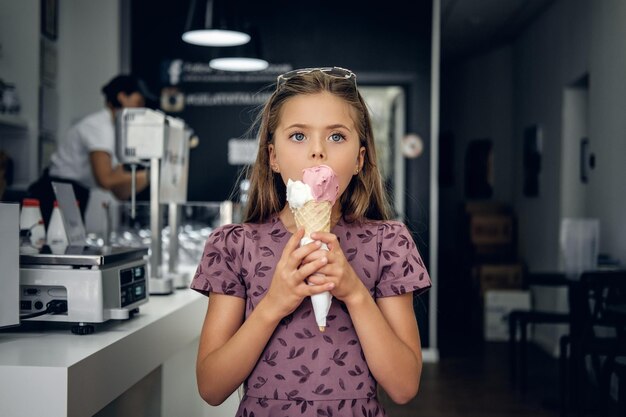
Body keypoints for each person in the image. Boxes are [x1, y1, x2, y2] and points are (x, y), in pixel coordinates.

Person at [190, 67, 432, 416]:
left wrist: (354, 292)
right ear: (273, 157)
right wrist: (273, 303)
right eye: (298, 136)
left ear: (360, 159)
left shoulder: (389, 243)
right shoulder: (233, 246)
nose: (317, 151)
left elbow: (404, 386)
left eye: (336, 137)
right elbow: (211, 388)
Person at [28, 74, 151, 226]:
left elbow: (119, 192)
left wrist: (146, 177)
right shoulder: (99, 127)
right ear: (122, 97)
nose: (142, 108)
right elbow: (105, 180)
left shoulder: (116, 131)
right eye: (139, 102)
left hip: (77, 192)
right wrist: (150, 174)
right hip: (57, 192)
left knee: (72, 244)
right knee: (59, 245)